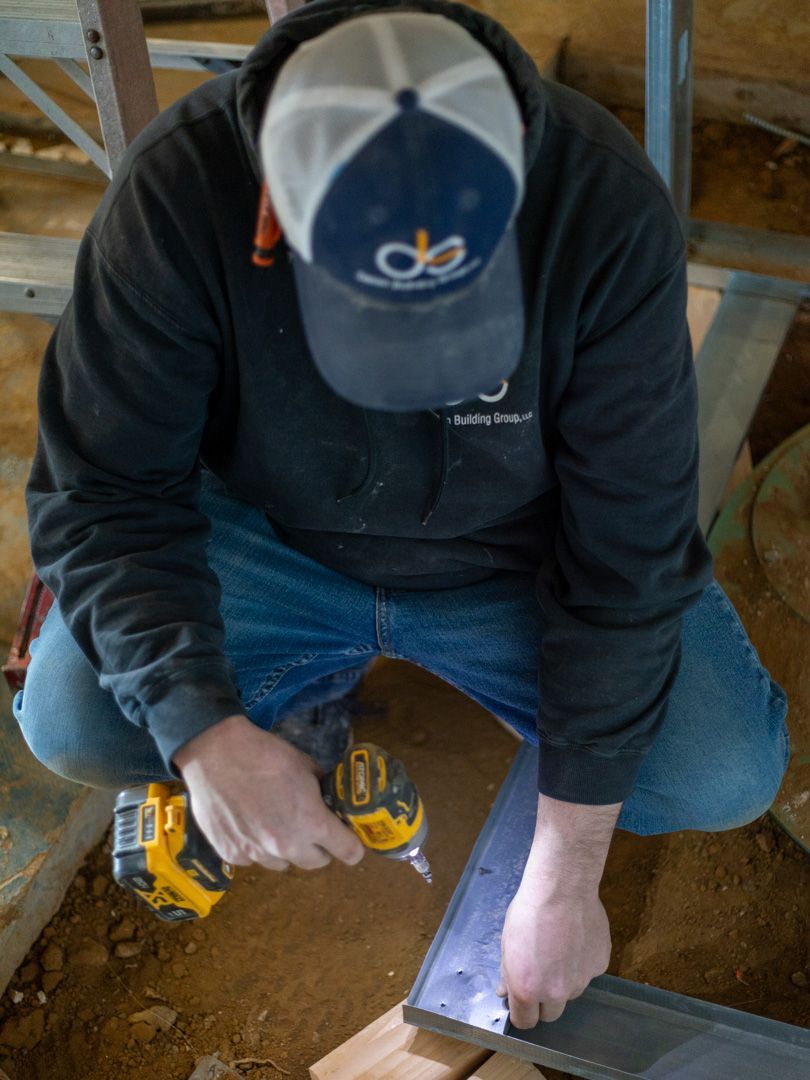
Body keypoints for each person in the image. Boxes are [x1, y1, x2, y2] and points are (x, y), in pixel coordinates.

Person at [14, 0, 788, 1030]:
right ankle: (295, 715)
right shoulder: (176, 194)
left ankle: (299, 710)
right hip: (268, 536)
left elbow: (628, 554)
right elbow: (102, 492)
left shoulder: (601, 206)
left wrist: (562, 878)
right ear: (273, 217)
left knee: (720, 767)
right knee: (75, 720)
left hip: (519, 556)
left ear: (516, 192)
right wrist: (204, 736)